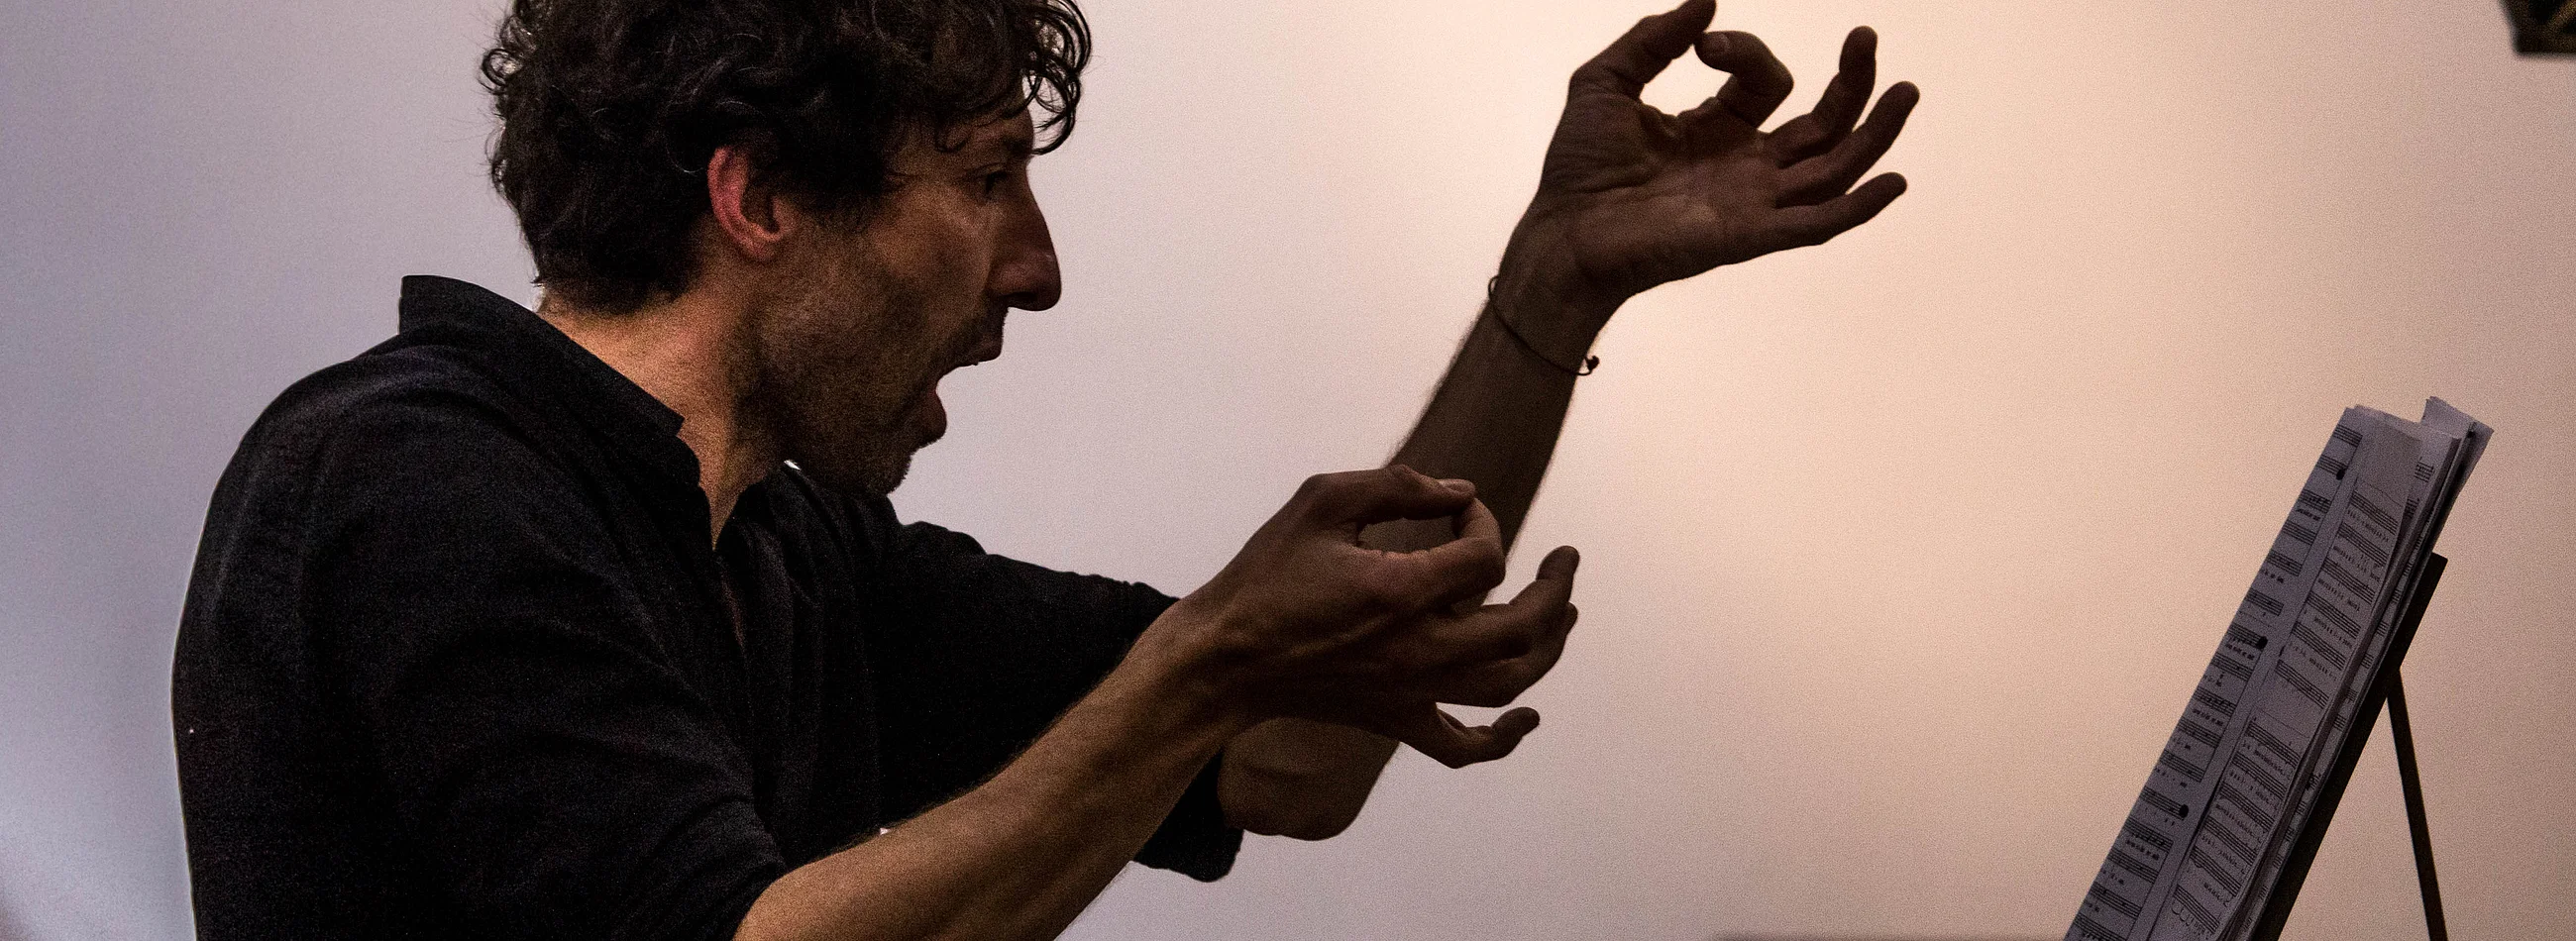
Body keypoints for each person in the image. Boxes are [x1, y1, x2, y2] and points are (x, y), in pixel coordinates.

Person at [170, 0, 1916, 937]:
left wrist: (1551, 290)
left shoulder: (793, 553)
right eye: (988, 176)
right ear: (760, 198)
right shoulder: (414, 478)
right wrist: (1198, 665)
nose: (1039, 267)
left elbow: (1289, 752)